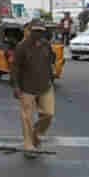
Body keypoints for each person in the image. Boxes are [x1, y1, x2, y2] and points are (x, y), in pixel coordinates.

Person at [11, 20, 55, 156]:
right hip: (26, 88)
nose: (39, 34)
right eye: (36, 31)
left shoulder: (46, 45)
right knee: (27, 118)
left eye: (41, 31)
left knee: (48, 114)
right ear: (30, 31)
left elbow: (50, 61)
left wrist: (51, 76)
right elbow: (15, 67)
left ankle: (36, 135)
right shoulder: (22, 46)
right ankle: (28, 146)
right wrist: (16, 86)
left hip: (45, 86)